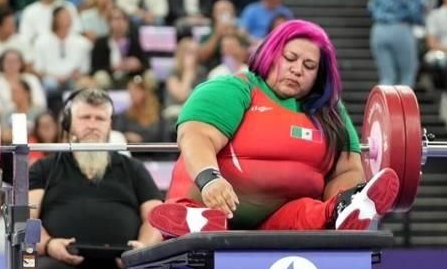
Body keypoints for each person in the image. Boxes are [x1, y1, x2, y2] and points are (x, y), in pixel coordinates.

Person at [147, 20, 400, 237]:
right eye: (290, 58)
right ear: (270, 54)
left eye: (309, 66)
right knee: (199, 210)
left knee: (311, 212)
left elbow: (347, 170)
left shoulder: (330, 111)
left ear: (319, 74)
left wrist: (343, 197)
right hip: (210, 199)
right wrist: (210, 179)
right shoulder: (235, 88)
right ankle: (194, 218)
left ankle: (347, 208)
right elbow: (196, 135)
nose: (297, 69)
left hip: (280, 219)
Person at [29, 88, 162, 269]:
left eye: (100, 118)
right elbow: (28, 218)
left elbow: (156, 216)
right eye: (85, 117)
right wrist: (48, 244)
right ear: (69, 124)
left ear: (110, 125)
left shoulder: (132, 169)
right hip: (65, 264)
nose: (92, 125)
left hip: (124, 263)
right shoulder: (45, 168)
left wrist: (144, 249)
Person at [368, 0, 425, 87]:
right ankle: (403, 108)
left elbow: (371, 6)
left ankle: (384, 107)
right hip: (401, 28)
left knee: (387, 78)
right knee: (407, 75)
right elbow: (415, 12)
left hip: (379, 29)